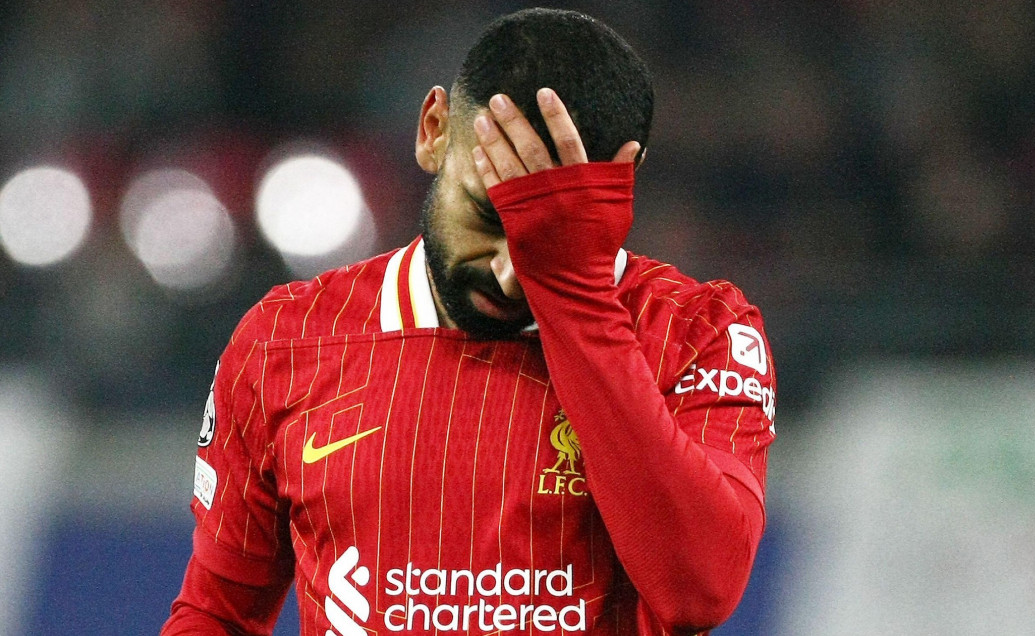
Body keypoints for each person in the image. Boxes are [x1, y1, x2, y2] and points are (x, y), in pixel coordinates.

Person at [162, 8, 776, 636]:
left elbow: (700, 590)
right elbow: (217, 613)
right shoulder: (286, 340)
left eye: (541, 235)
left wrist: (575, 291)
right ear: (433, 131)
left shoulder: (697, 332)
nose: (510, 273)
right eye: (488, 217)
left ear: (622, 183)